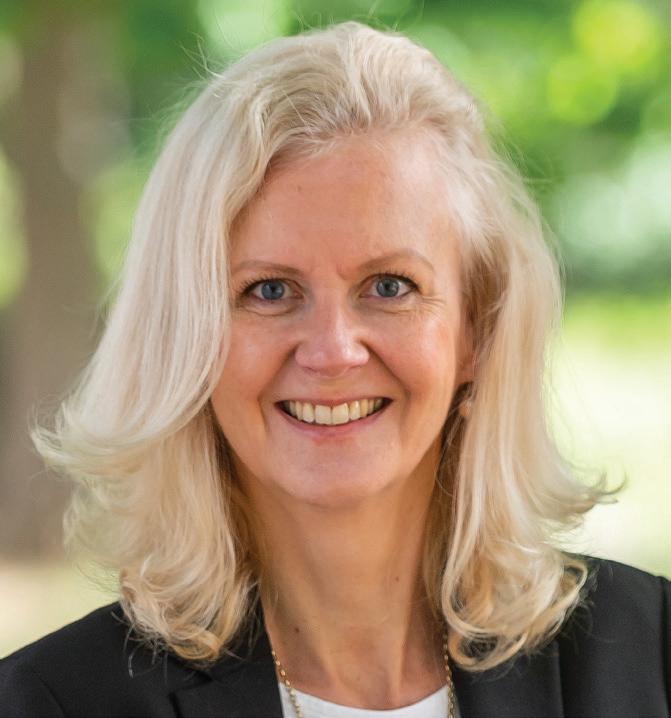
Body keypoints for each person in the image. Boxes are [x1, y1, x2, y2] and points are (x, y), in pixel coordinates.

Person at [0, 20, 669, 718]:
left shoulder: (652, 656)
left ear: (477, 326)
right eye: (268, 290)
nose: (332, 351)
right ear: (186, 338)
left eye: (389, 286)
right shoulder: (51, 703)